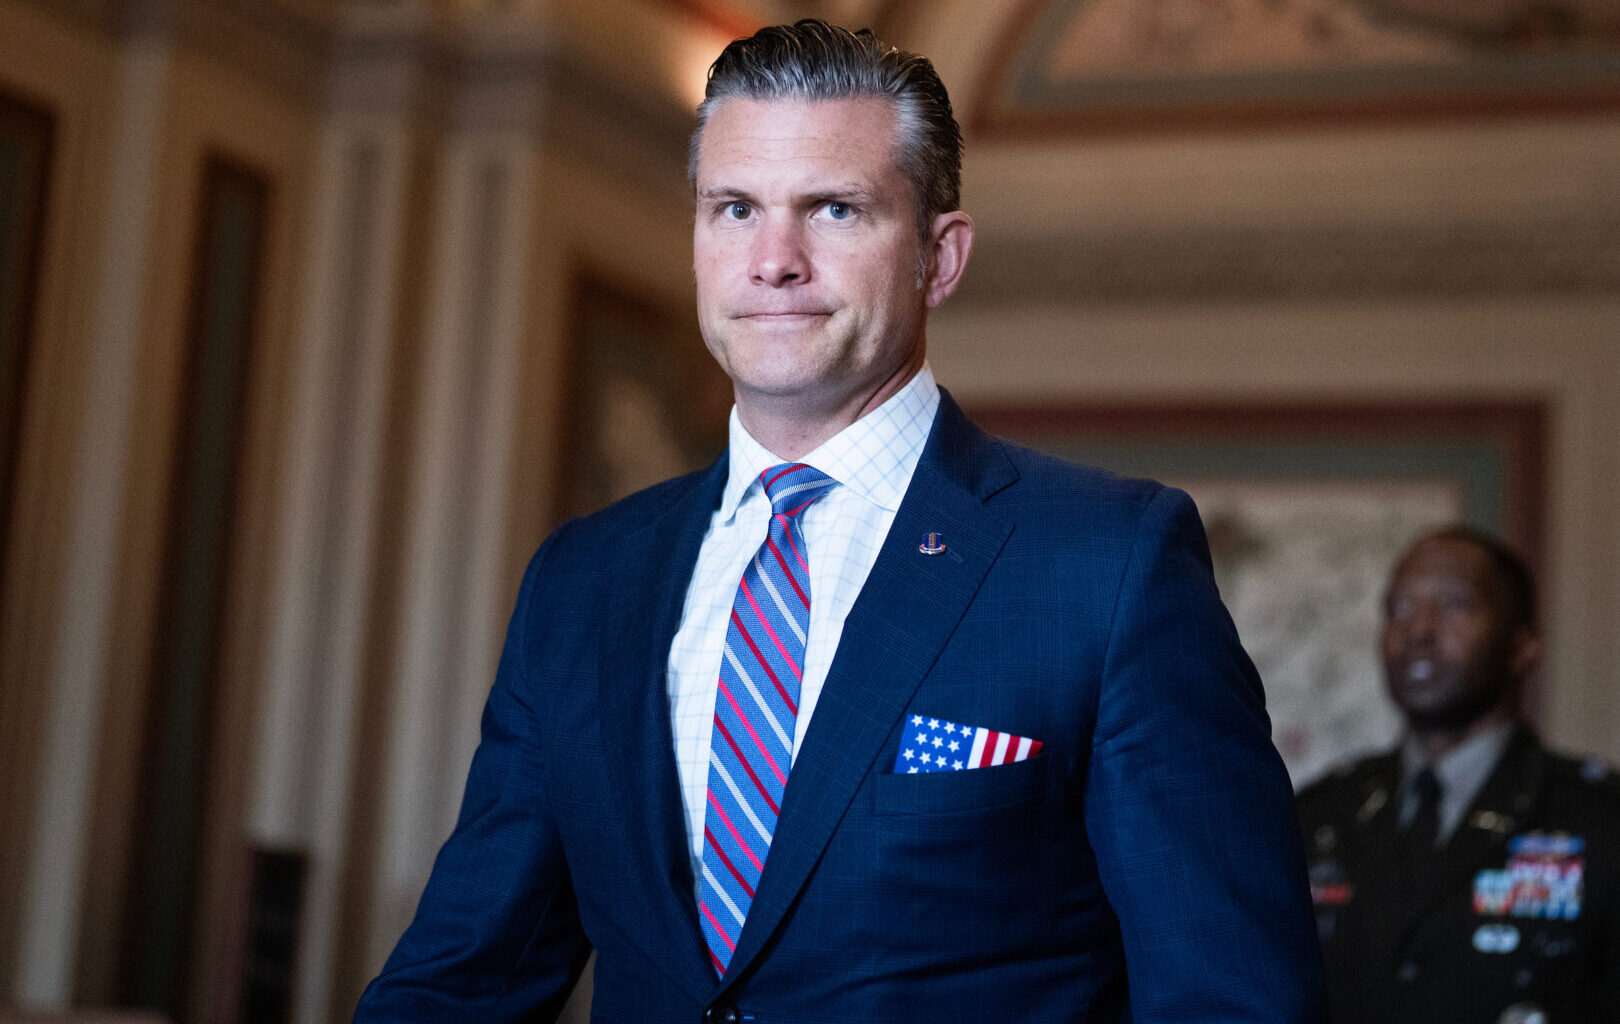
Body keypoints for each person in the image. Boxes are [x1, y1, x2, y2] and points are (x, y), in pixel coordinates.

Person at [356, 20, 1324, 1023]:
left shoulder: (1108, 564)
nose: (773, 260)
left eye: (833, 208)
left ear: (938, 258)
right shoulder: (583, 578)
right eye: (734, 208)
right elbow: (464, 977)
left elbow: (1232, 1000)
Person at [1296, 526, 1620, 1023]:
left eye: (1454, 605)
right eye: (1399, 608)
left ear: (1523, 645)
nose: (1419, 629)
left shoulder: (1600, 818)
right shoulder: (1320, 814)